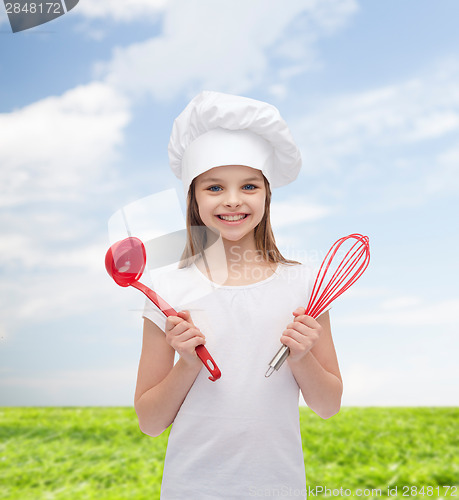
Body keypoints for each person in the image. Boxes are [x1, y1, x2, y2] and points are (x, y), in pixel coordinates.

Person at [134, 91, 342, 499]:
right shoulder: (166, 291)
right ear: (193, 197)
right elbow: (150, 421)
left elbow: (328, 405)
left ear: (267, 194)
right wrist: (188, 364)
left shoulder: (306, 287)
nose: (232, 200)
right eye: (214, 187)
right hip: (190, 488)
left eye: (248, 185)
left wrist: (301, 358)